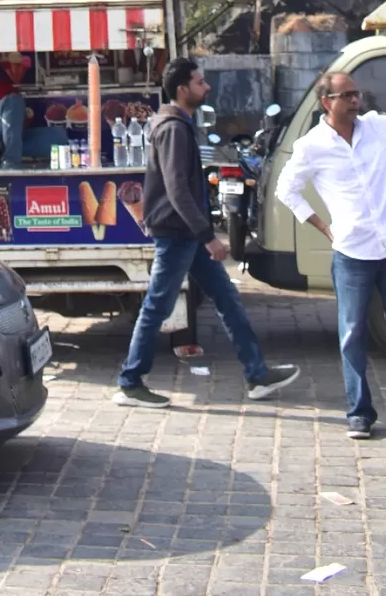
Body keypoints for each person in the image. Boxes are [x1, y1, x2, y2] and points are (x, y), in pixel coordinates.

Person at [116, 57, 299, 407]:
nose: (207, 87)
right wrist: (209, 236)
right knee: (157, 306)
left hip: (187, 235)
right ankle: (130, 381)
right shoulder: (171, 128)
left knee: (228, 300)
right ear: (183, 88)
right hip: (178, 234)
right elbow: (177, 191)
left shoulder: (179, 123)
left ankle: (257, 375)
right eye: (200, 82)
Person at [277, 71, 386, 440]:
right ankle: (359, 412)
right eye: (347, 96)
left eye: (358, 94)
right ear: (327, 101)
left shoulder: (377, 127)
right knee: (352, 334)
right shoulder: (312, 146)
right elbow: (287, 189)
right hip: (352, 252)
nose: (356, 101)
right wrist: (322, 226)